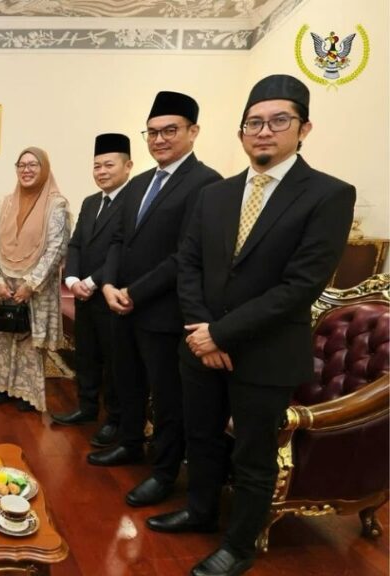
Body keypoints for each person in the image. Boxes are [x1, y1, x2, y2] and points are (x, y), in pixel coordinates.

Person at [149, 75, 355, 576]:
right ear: (241, 132)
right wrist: (201, 330)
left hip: (266, 354)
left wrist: (221, 334)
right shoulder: (215, 195)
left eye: (279, 121)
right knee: (201, 437)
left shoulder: (328, 195)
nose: (264, 131)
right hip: (200, 347)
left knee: (253, 455)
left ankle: (239, 545)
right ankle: (200, 511)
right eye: (254, 122)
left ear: (304, 128)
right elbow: (189, 264)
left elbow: (299, 286)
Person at [89, 92, 222, 511]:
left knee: (167, 399)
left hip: (164, 312)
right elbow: (118, 240)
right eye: (152, 132)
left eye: (170, 130)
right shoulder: (140, 183)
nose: (159, 139)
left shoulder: (207, 184)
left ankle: (164, 473)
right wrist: (109, 284)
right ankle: (130, 443)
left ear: (193, 132)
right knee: (126, 382)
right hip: (121, 305)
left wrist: (136, 292)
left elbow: (186, 255)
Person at [51, 133, 133, 448]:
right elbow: (75, 244)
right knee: (86, 355)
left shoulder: (133, 201)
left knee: (114, 362)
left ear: (128, 166)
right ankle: (86, 407)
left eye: (108, 165)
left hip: (111, 295)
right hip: (83, 293)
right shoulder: (90, 202)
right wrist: (72, 279)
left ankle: (113, 419)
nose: (101, 172)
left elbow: (121, 249)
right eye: (97, 166)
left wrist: (94, 281)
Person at [0, 147, 71, 412]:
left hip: (34, 286)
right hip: (4, 283)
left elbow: (56, 249)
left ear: (44, 169)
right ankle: (1, 387)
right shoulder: (5, 203)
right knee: (3, 337)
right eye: (21, 165)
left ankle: (25, 393)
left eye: (33, 165)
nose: (26, 170)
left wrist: (31, 284)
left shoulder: (56, 205)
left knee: (29, 342)